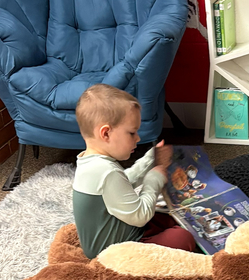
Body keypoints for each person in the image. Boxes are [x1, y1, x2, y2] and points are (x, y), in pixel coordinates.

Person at [73, 84, 196, 258]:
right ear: (105, 133)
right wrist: (153, 180)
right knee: (183, 237)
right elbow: (140, 216)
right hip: (114, 252)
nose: (138, 138)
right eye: (132, 133)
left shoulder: (91, 162)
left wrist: (150, 159)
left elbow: (125, 182)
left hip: (124, 230)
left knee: (174, 216)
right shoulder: (106, 172)